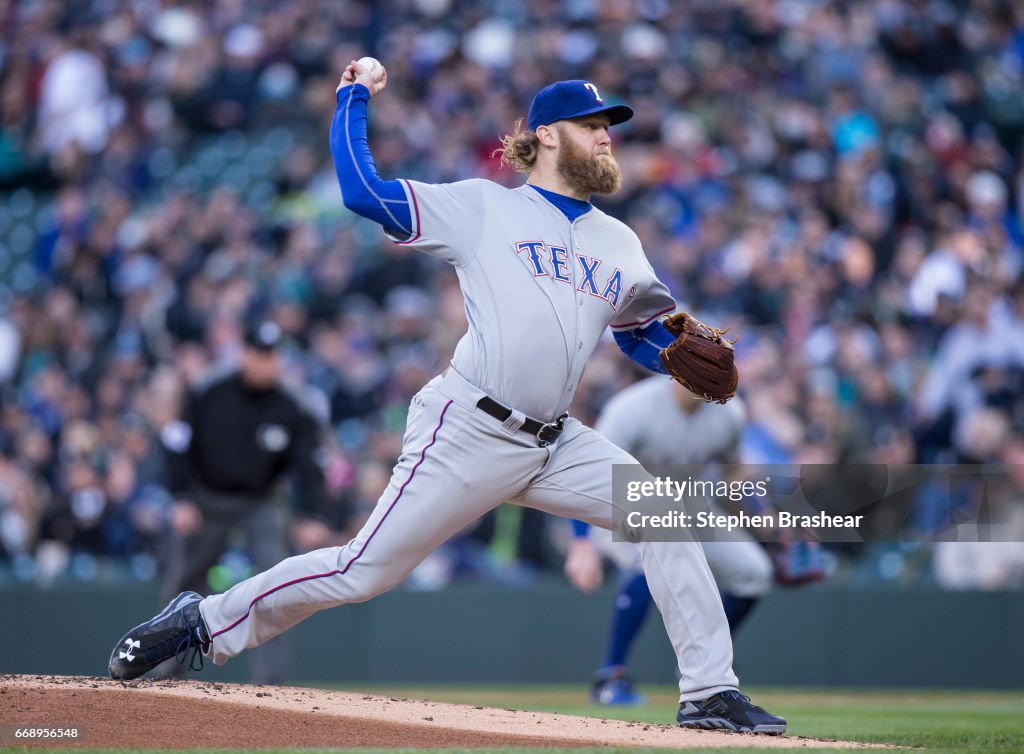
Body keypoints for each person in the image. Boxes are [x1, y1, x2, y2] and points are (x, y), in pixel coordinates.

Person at [106, 62, 787, 735]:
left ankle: (709, 693)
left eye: (609, 125)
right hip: (469, 427)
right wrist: (352, 99)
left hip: (555, 441)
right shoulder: (484, 207)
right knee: (360, 571)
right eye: (591, 125)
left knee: (662, 512)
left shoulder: (621, 243)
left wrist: (675, 358)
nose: (607, 136)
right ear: (547, 136)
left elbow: (641, 335)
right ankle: (203, 621)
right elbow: (362, 192)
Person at [564, 380, 775, 706]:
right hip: (622, 503)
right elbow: (584, 471)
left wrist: (765, 515)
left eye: (717, 365)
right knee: (645, 562)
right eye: (701, 362)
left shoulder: (729, 411)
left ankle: (705, 663)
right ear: (675, 367)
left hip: (689, 504)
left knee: (754, 572)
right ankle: (611, 675)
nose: (708, 371)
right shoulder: (631, 408)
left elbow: (735, 472)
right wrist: (581, 543)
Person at [158, 320, 333, 683]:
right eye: (260, 353)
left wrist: (314, 513)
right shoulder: (209, 391)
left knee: (278, 585)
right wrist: (180, 497)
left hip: (262, 500)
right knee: (185, 583)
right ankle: (166, 670)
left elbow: (310, 463)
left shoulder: (291, 404)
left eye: (272, 355)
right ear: (244, 354)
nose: (267, 362)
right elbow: (177, 443)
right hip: (208, 498)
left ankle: (272, 681)